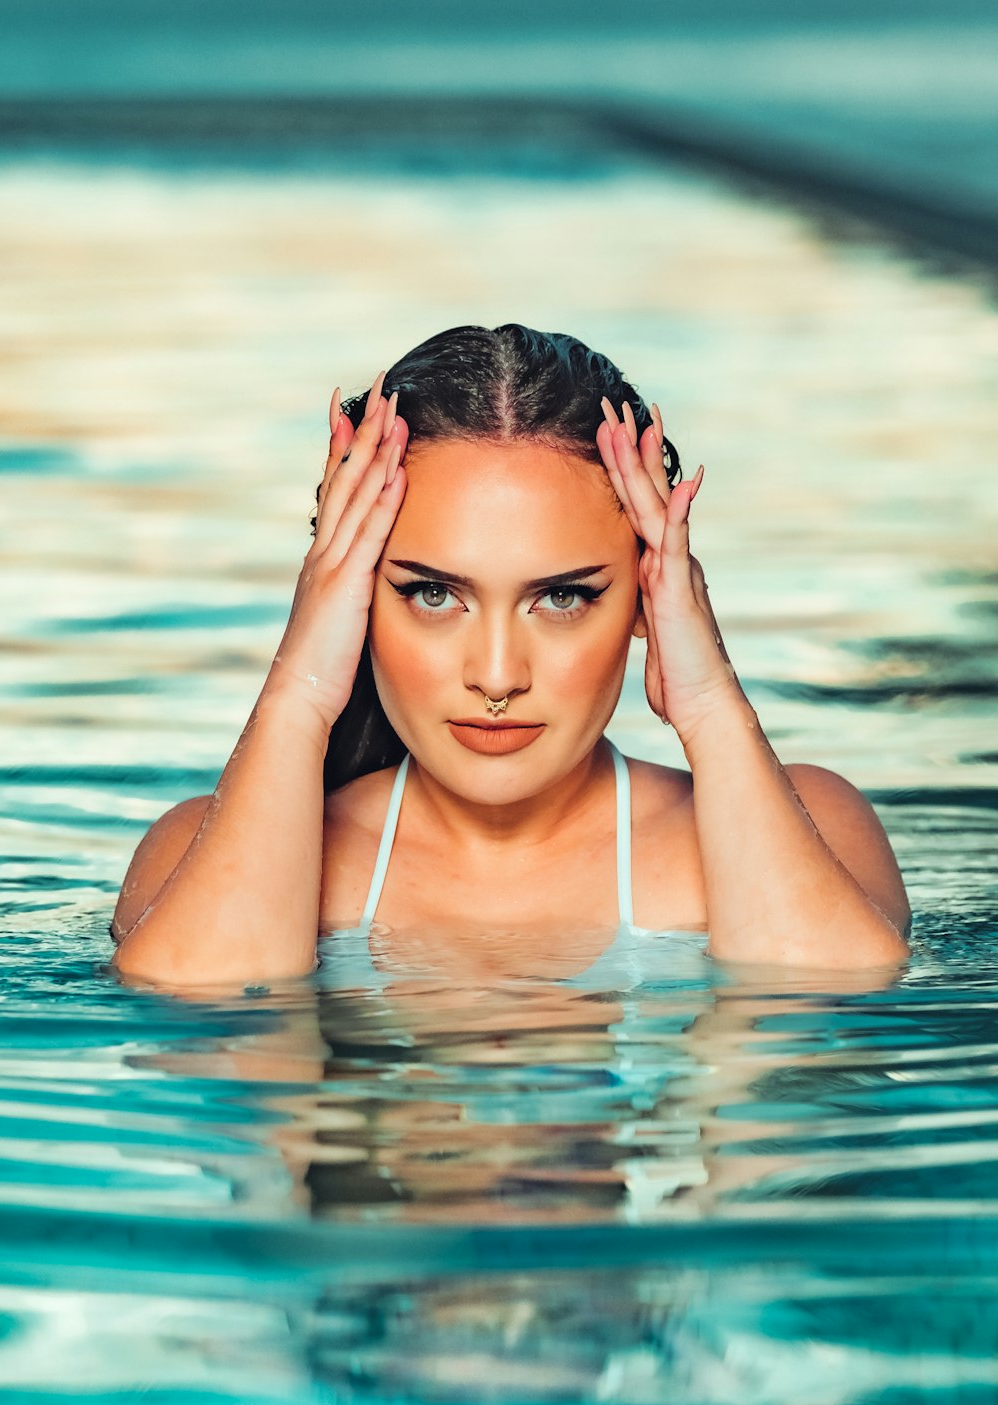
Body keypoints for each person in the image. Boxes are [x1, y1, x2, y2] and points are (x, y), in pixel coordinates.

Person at [111, 324, 910, 988]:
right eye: (432, 595)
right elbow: (219, 1053)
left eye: (562, 597)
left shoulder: (813, 826)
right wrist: (303, 689)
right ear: (351, 595)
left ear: (646, 595)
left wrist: (711, 706)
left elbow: (813, 1058)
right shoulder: (198, 852)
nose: (496, 677)